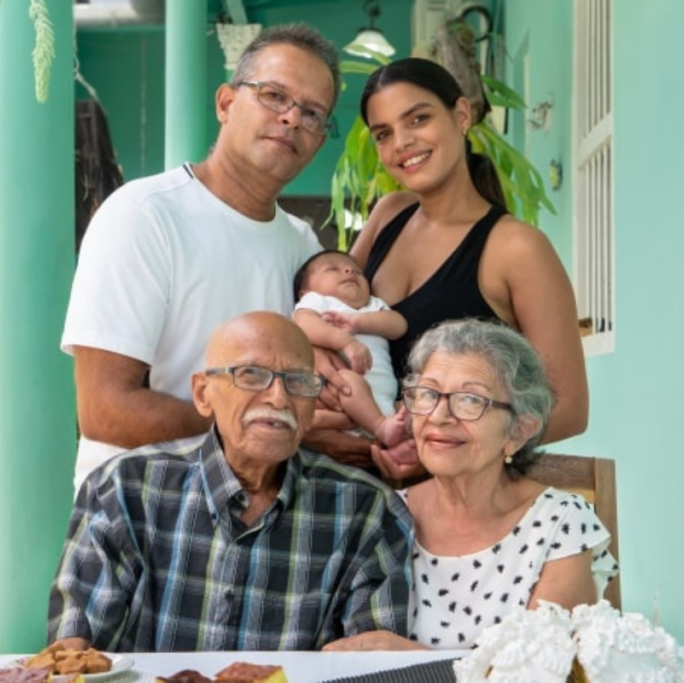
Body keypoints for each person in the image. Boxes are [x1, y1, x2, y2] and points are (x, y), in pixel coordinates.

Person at [60, 24, 367, 489]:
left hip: (258, 519)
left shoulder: (304, 247)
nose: (291, 119)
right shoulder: (145, 215)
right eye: (273, 96)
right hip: (141, 514)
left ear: (321, 139)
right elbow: (105, 410)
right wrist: (282, 435)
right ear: (226, 103)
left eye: (312, 113)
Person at [47, 312, 413, 652]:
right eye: (251, 374)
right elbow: (76, 657)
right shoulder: (124, 490)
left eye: (299, 381)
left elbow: (370, 663)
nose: (278, 397)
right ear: (203, 394)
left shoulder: (367, 511)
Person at [347, 58, 589, 479]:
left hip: (463, 500)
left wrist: (434, 451)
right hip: (367, 487)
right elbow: (332, 308)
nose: (402, 142)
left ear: (461, 115)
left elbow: (568, 408)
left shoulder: (516, 248)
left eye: (418, 119)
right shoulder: (389, 215)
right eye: (383, 134)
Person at [323, 319, 617, 652]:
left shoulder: (560, 524)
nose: (439, 416)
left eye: (471, 400)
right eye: (428, 394)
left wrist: (420, 664)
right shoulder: (383, 515)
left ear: (519, 430)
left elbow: (545, 669)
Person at [292, 250, 410, 452]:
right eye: (332, 268)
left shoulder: (374, 304)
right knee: (348, 380)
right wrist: (345, 342)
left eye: (357, 271)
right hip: (344, 394)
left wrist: (358, 322)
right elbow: (303, 324)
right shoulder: (318, 301)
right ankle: (379, 427)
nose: (349, 271)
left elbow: (398, 325)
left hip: (386, 397)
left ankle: (388, 439)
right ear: (305, 292)